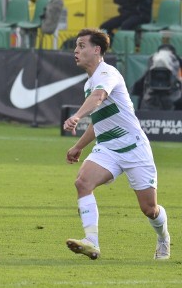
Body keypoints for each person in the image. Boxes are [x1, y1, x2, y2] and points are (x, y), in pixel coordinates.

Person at [63, 28, 170, 260]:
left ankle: (163, 237)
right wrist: (79, 146)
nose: (76, 51)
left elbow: (99, 98)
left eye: (82, 46)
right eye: (76, 46)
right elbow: (99, 120)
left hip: (134, 148)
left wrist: (76, 116)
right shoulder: (89, 83)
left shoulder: (108, 74)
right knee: (82, 182)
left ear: (96, 50)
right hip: (108, 148)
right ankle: (91, 241)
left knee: (149, 209)